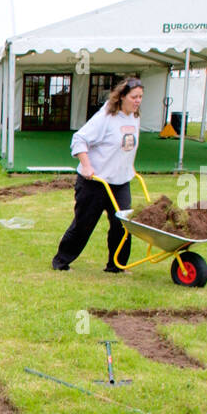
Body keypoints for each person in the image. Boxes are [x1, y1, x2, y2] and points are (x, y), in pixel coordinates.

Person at [51, 76, 144, 272]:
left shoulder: (134, 118)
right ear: (122, 97)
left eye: (140, 97)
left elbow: (126, 146)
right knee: (83, 225)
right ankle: (61, 261)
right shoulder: (106, 118)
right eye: (134, 97)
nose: (137, 101)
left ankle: (116, 266)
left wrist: (129, 166)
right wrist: (86, 165)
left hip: (120, 182)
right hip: (95, 182)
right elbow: (79, 140)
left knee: (124, 226)